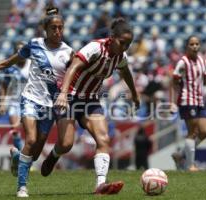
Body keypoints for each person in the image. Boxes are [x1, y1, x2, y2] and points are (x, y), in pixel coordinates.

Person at [0, 6, 73, 197]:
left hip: (51, 106)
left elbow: (73, 78)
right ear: (45, 30)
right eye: (54, 28)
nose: (58, 31)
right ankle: (22, 187)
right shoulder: (34, 45)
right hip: (30, 99)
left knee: (36, 152)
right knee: (30, 139)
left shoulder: (69, 52)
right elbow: (8, 62)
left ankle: (18, 157)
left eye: (60, 28)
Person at [41, 17, 140, 195]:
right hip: (70, 97)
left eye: (128, 44)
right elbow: (73, 68)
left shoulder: (120, 57)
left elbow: (126, 72)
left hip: (91, 100)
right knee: (66, 144)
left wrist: (134, 93)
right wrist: (63, 94)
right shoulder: (95, 48)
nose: (125, 47)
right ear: (112, 37)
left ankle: (100, 184)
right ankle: (54, 155)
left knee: (103, 139)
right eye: (122, 42)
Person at [171, 35, 206, 171]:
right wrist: (172, 102)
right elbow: (174, 82)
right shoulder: (183, 62)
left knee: (205, 132)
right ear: (187, 46)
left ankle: (180, 155)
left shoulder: (203, 61)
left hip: (199, 100)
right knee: (193, 131)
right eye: (191, 44)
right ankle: (190, 165)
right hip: (186, 100)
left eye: (197, 44)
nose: (195, 46)